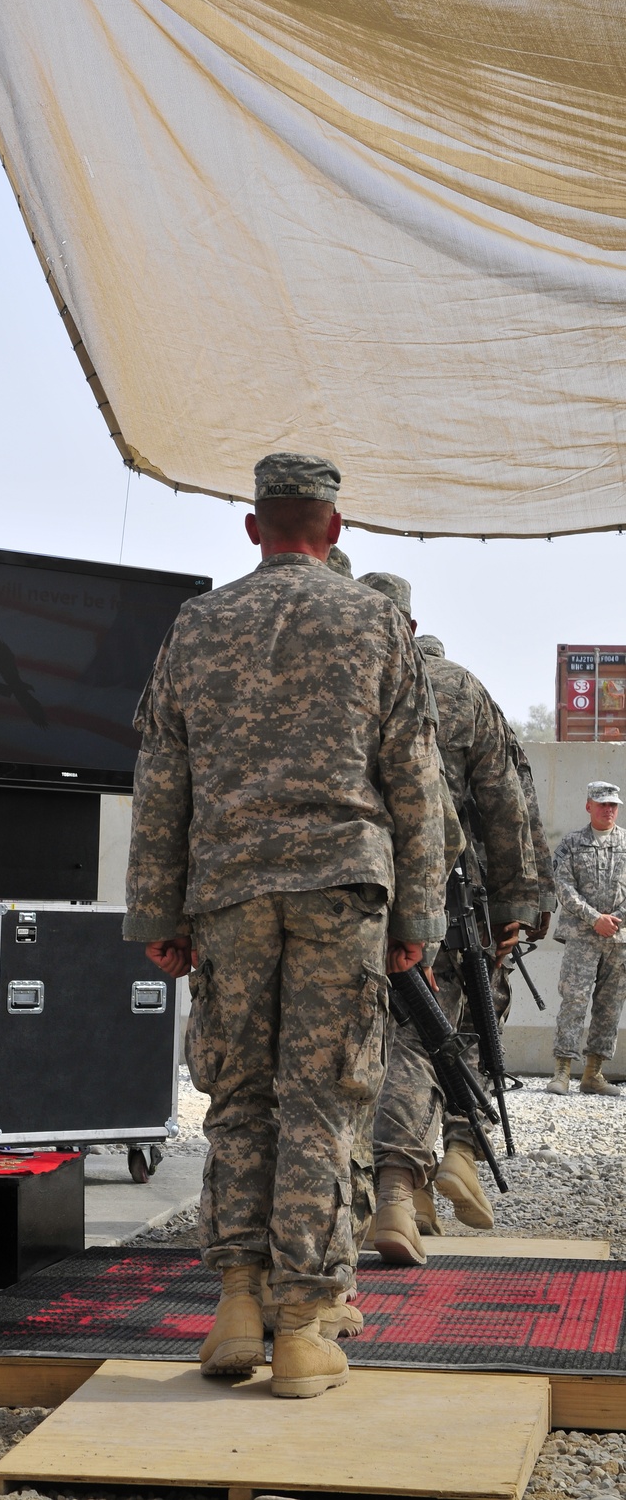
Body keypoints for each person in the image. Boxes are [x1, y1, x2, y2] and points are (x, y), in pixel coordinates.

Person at [124, 454, 446, 1400]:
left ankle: (234, 1304)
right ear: (335, 529)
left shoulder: (199, 622)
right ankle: (303, 1328)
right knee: (323, 1101)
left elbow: (163, 777)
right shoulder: (377, 622)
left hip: (227, 890)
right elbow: (414, 783)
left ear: (255, 527)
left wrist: (158, 909)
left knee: (238, 1097)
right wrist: (416, 914)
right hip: (342, 890)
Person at [358, 577, 540, 1262]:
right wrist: (516, 906)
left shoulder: (315, 674)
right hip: (433, 898)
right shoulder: (454, 687)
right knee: (425, 1037)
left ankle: (399, 1197)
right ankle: (406, 1185)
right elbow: (505, 804)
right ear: (410, 621)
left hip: (324, 898)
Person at [547, 782, 626, 1098]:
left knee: (609, 1006)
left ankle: (593, 1074)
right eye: (602, 804)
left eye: (613, 805)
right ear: (588, 806)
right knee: (574, 1000)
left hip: (619, 940)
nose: (608, 810)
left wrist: (615, 920)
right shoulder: (571, 844)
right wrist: (596, 919)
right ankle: (562, 1072)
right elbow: (563, 888)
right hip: (583, 938)